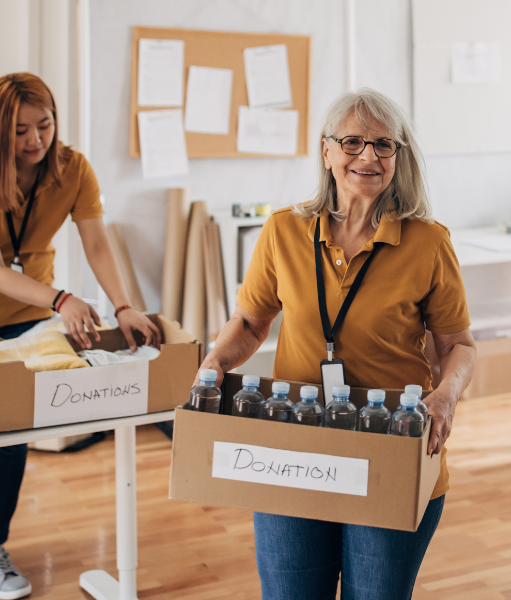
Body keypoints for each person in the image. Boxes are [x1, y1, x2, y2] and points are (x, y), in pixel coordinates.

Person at [198, 88, 477, 599]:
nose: (367, 156)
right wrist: (216, 360)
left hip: (391, 449)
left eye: (382, 145)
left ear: (399, 155)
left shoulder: (428, 242)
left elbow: (459, 344)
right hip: (296, 447)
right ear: (326, 152)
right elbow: (250, 321)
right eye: (351, 142)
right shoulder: (284, 230)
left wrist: (448, 394)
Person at [0, 73, 161, 600]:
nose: (36, 140)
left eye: (44, 124)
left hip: (27, 312)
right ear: (0, 131)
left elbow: (96, 242)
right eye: (21, 130)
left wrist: (124, 306)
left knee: (14, 433)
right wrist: (62, 300)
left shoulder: (73, 169)